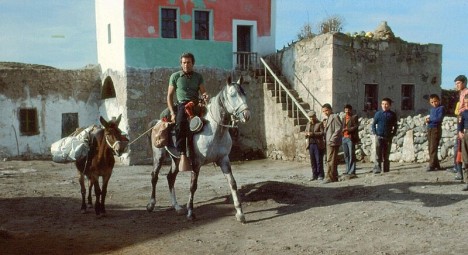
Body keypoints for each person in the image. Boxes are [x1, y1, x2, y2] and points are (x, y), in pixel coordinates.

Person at [167, 52, 208, 170]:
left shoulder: (198, 76)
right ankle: (182, 154)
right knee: (180, 124)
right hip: (182, 105)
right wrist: (172, 113)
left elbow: (203, 92)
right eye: (184, 63)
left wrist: (205, 95)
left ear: (193, 63)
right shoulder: (175, 77)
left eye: (188, 62)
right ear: (181, 64)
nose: (186, 65)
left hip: (195, 104)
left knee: (206, 123)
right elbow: (169, 96)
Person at [371, 97, 398, 174]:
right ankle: (377, 168)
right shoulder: (378, 114)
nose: (384, 105)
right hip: (379, 136)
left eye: (386, 104)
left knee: (386, 154)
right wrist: (375, 133)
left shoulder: (392, 115)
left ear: (389, 105)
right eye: (383, 104)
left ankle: (386, 169)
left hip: (388, 137)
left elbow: (395, 126)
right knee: (378, 153)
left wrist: (393, 134)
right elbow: (373, 125)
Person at [321, 103, 342, 183]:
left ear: (330, 109)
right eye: (323, 111)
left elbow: (338, 128)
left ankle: (329, 177)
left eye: (326, 110)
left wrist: (332, 139)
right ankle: (334, 176)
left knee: (330, 160)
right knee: (331, 159)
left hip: (332, 142)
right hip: (328, 142)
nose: (325, 112)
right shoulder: (328, 118)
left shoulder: (335, 116)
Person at [453, 75, 468, 180]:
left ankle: (460, 172)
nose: (456, 85)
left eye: (458, 83)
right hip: (461, 121)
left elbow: (463, 109)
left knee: (460, 149)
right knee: (457, 148)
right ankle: (458, 170)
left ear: (464, 82)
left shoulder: (466, 93)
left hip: (464, 123)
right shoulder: (461, 93)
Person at [425, 94, 445, 171]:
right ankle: (436, 164)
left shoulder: (441, 108)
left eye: (435, 101)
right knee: (430, 147)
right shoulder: (432, 109)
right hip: (430, 128)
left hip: (436, 129)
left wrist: (430, 120)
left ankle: (432, 165)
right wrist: (427, 120)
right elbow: (432, 117)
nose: (434, 103)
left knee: (433, 147)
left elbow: (439, 119)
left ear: (439, 100)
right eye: (432, 102)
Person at [305, 110, 325, 181]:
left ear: (315, 116)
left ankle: (320, 175)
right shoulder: (308, 124)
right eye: (310, 117)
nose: (311, 119)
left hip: (318, 144)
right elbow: (306, 131)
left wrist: (313, 134)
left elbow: (322, 133)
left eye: (313, 117)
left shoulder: (319, 123)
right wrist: (306, 134)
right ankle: (314, 175)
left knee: (318, 160)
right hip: (310, 144)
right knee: (312, 161)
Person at [341, 104, 359, 179]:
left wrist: (347, 129)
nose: (347, 111)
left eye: (348, 109)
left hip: (350, 138)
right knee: (346, 155)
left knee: (351, 155)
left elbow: (356, 126)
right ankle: (347, 169)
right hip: (344, 138)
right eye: (345, 110)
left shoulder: (354, 117)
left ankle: (352, 170)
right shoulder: (344, 118)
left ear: (350, 110)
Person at [457, 94, 468, 191]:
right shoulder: (463, 113)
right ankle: (467, 181)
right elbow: (460, 124)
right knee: (466, 158)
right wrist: (460, 132)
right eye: (465, 103)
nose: (467, 104)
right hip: (466, 135)